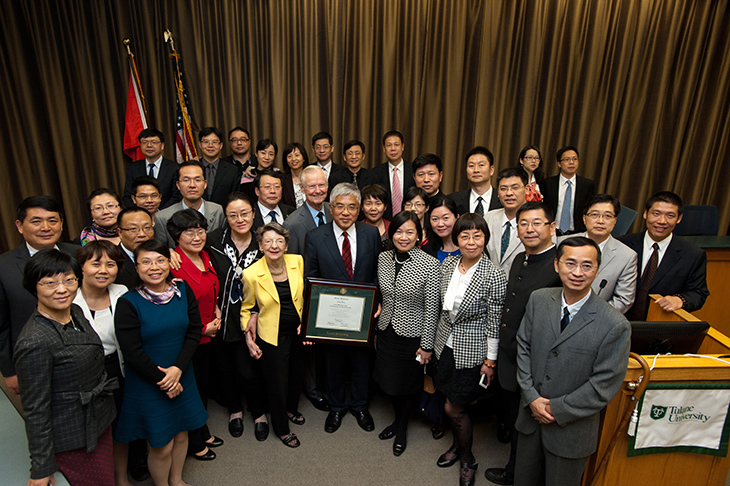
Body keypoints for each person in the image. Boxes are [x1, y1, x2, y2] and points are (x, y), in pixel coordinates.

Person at [514, 237, 631, 486]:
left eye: (587, 265)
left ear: (597, 269)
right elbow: (523, 347)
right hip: (530, 421)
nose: (577, 272)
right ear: (557, 265)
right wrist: (532, 398)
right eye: (570, 263)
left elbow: (603, 385)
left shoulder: (614, 324)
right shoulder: (539, 299)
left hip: (571, 432)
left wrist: (557, 409)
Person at [15, 249, 117, 486]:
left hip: (97, 419)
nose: (62, 289)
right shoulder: (34, 340)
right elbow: (36, 409)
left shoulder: (75, 311)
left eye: (69, 280)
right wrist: (41, 467)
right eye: (50, 283)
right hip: (73, 434)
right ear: (34, 287)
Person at [114, 239, 208, 486]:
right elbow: (132, 351)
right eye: (145, 262)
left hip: (182, 372)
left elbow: (194, 330)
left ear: (169, 263)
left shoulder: (183, 290)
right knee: (161, 444)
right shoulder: (128, 303)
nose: (153, 267)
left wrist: (178, 369)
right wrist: (165, 380)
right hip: (149, 381)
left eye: (159, 260)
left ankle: (176, 480)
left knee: (181, 433)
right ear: (137, 268)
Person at [485, 201, 561, 486]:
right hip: (510, 355)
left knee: (528, 424)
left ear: (551, 227)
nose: (529, 229)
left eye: (536, 223)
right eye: (523, 224)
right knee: (516, 420)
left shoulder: (557, 265)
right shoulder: (520, 259)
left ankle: (518, 474)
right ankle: (515, 468)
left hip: (535, 361)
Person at [433, 213, 507, 486]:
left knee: (455, 408)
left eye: (477, 235)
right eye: (464, 236)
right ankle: (456, 447)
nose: (471, 241)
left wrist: (490, 361)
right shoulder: (449, 265)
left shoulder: (494, 273)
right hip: (446, 345)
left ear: (485, 238)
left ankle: (467, 460)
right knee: (448, 398)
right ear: (457, 238)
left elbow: (494, 321)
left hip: (473, 350)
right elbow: (443, 311)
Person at [305, 183, 381, 433]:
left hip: (363, 314)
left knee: (362, 362)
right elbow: (311, 278)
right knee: (333, 362)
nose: (345, 212)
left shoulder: (371, 234)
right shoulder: (316, 237)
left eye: (352, 207)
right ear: (331, 207)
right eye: (340, 206)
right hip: (331, 316)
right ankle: (337, 407)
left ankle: (359, 406)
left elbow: (377, 274)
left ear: (359, 209)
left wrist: (377, 301)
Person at [374, 211, 440, 456]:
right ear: (391, 234)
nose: (403, 237)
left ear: (418, 235)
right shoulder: (383, 258)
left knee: (408, 384)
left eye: (410, 232)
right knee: (389, 383)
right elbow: (380, 292)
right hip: (387, 330)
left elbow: (432, 308)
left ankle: (401, 427)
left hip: (413, 336)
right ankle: (397, 420)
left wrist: (427, 345)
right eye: (399, 232)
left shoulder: (430, 264)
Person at [0, 195, 80, 395]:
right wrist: (9, 371)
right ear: (20, 226)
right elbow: (1, 325)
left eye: (52, 221)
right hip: (34, 362)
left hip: (83, 354)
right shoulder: (3, 266)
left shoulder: (79, 254)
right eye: (36, 221)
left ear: (61, 224)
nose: (46, 227)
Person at [207, 192, 270, 439]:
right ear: (226, 218)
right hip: (221, 315)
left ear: (254, 214)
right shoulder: (213, 241)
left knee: (249, 370)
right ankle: (235, 410)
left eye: (244, 213)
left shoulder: (264, 243)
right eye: (233, 215)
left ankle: (259, 412)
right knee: (225, 368)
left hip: (252, 315)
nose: (239, 219)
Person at [242, 223, 306, 448]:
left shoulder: (297, 261)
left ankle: (290, 409)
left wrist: (307, 323)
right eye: (267, 241)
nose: (274, 245)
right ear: (260, 245)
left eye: (279, 241)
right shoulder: (251, 274)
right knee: (278, 383)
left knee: (296, 375)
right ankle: (281, 428)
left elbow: (305, 296)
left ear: (286, 244)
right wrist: (248, 334)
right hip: (272, 335)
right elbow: (247, 307)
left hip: (298, 331)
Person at [167, 209, 225, 460]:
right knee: (190, 390)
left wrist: (217, 308)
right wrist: (202, 328)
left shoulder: (206, 255)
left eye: (200, 230)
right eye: (189, 232)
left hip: (209, 335)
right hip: (190, 338)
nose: (196, 236)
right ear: (176, 237)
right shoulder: (173, 266)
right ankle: (194, 442)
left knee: (202, 386)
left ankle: (203, 430)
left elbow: (211, 287)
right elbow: (172, 312)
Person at [73, 240, 131, 486]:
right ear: (82, 267)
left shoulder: (122, 292)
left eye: (110, 264)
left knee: (119, 427)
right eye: (96, 264)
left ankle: (121, 477)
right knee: (93, 430)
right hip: (83, 374)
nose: (103, 270)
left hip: (116, 368)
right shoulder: (69, 297)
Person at [618, 191, 709, 320]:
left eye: (670, 216)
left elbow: (699, 293)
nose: (662, 221)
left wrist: (680, 300)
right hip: (617, 322)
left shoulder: (692, 255)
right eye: (656, 214)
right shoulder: (622, 244)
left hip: (659, 326)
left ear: (679, 218)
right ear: (645, 214)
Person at [557, 194, 638, 314]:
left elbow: (623, 300)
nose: (600, 221)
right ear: (584, 218)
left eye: (607, 216)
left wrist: (590, 315)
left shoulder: (627, 256)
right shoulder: (562, 243)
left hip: (597, 320)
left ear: (615, 221)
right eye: (594, 215)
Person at [153, 160, 226, 247]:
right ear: (178, 185)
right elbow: (161, 252)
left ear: (205, 184)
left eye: (197, 180)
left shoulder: (218, 211)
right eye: (186, 180)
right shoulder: (163, 217)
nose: (192, 185)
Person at [541, 146, 596, 235]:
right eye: (567, 159)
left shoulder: (587, 185)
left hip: (577, 232)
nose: (571, 162)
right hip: (552, 232)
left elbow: (590, 209)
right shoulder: (548, 183)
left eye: (575, 159)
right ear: (559, 163)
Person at [123, 128, 180, 209]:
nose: (149, 145)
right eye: (144, 142)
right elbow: (128, 196)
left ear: (162, 145)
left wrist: (159, 214)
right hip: (140, 216)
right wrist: (140, 213)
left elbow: (176, 197)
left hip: (166, 215)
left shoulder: (174, 167)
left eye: (153, 142)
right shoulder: (133, 168)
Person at [485, 168, 528, 274]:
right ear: (498, 193)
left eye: (515, 188)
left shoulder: (539, 221)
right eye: (503, 188)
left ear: (526, 189)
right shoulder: (488, 218)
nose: (509, 193)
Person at [283, 166, 331, 257]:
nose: (317, 191)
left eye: (321, 185)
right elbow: (293, 263)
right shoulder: (292, 224)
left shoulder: (335, 212)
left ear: (327, 184)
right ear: (302, 187)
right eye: (312, 186)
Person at [368, 130, 415, 220]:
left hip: (410, 220)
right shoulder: (375, 172)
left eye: (396, 145)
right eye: (389, 145)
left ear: (402, 147)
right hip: (384, 221)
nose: (393, 148)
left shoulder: (414, 170)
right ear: (384, 149)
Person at [449, 146, 502, 216]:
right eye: (471, 166)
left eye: (481, 165)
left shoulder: (502, 199)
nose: (476, 170)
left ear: (491, 170)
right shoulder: (453, 200)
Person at [198, 126, 241, 206]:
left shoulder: (232, 170)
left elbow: (234, 198)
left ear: (220, 145)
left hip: (223, 215)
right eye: (206, 142)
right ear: (200, 144)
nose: (210, 145)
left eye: (214, 142)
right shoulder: (192, 168)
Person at [422, 196, 461, 262]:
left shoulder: (469, 246)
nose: (440, 224)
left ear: (457, 218)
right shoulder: (426, 250)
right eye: (435, 219)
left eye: (445, 218)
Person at [360, 184, 391, 251]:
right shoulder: (356, 229)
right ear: (362, 207)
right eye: (368, 204)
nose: (373, 208)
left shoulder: (392, 227)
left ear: (385, 206)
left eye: (378, 204)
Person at [281, 142, 310, 208]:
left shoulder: (312, 177)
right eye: (289, 156)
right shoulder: (282, 180)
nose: (293, 159)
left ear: (304, 158)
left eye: (297, 155)